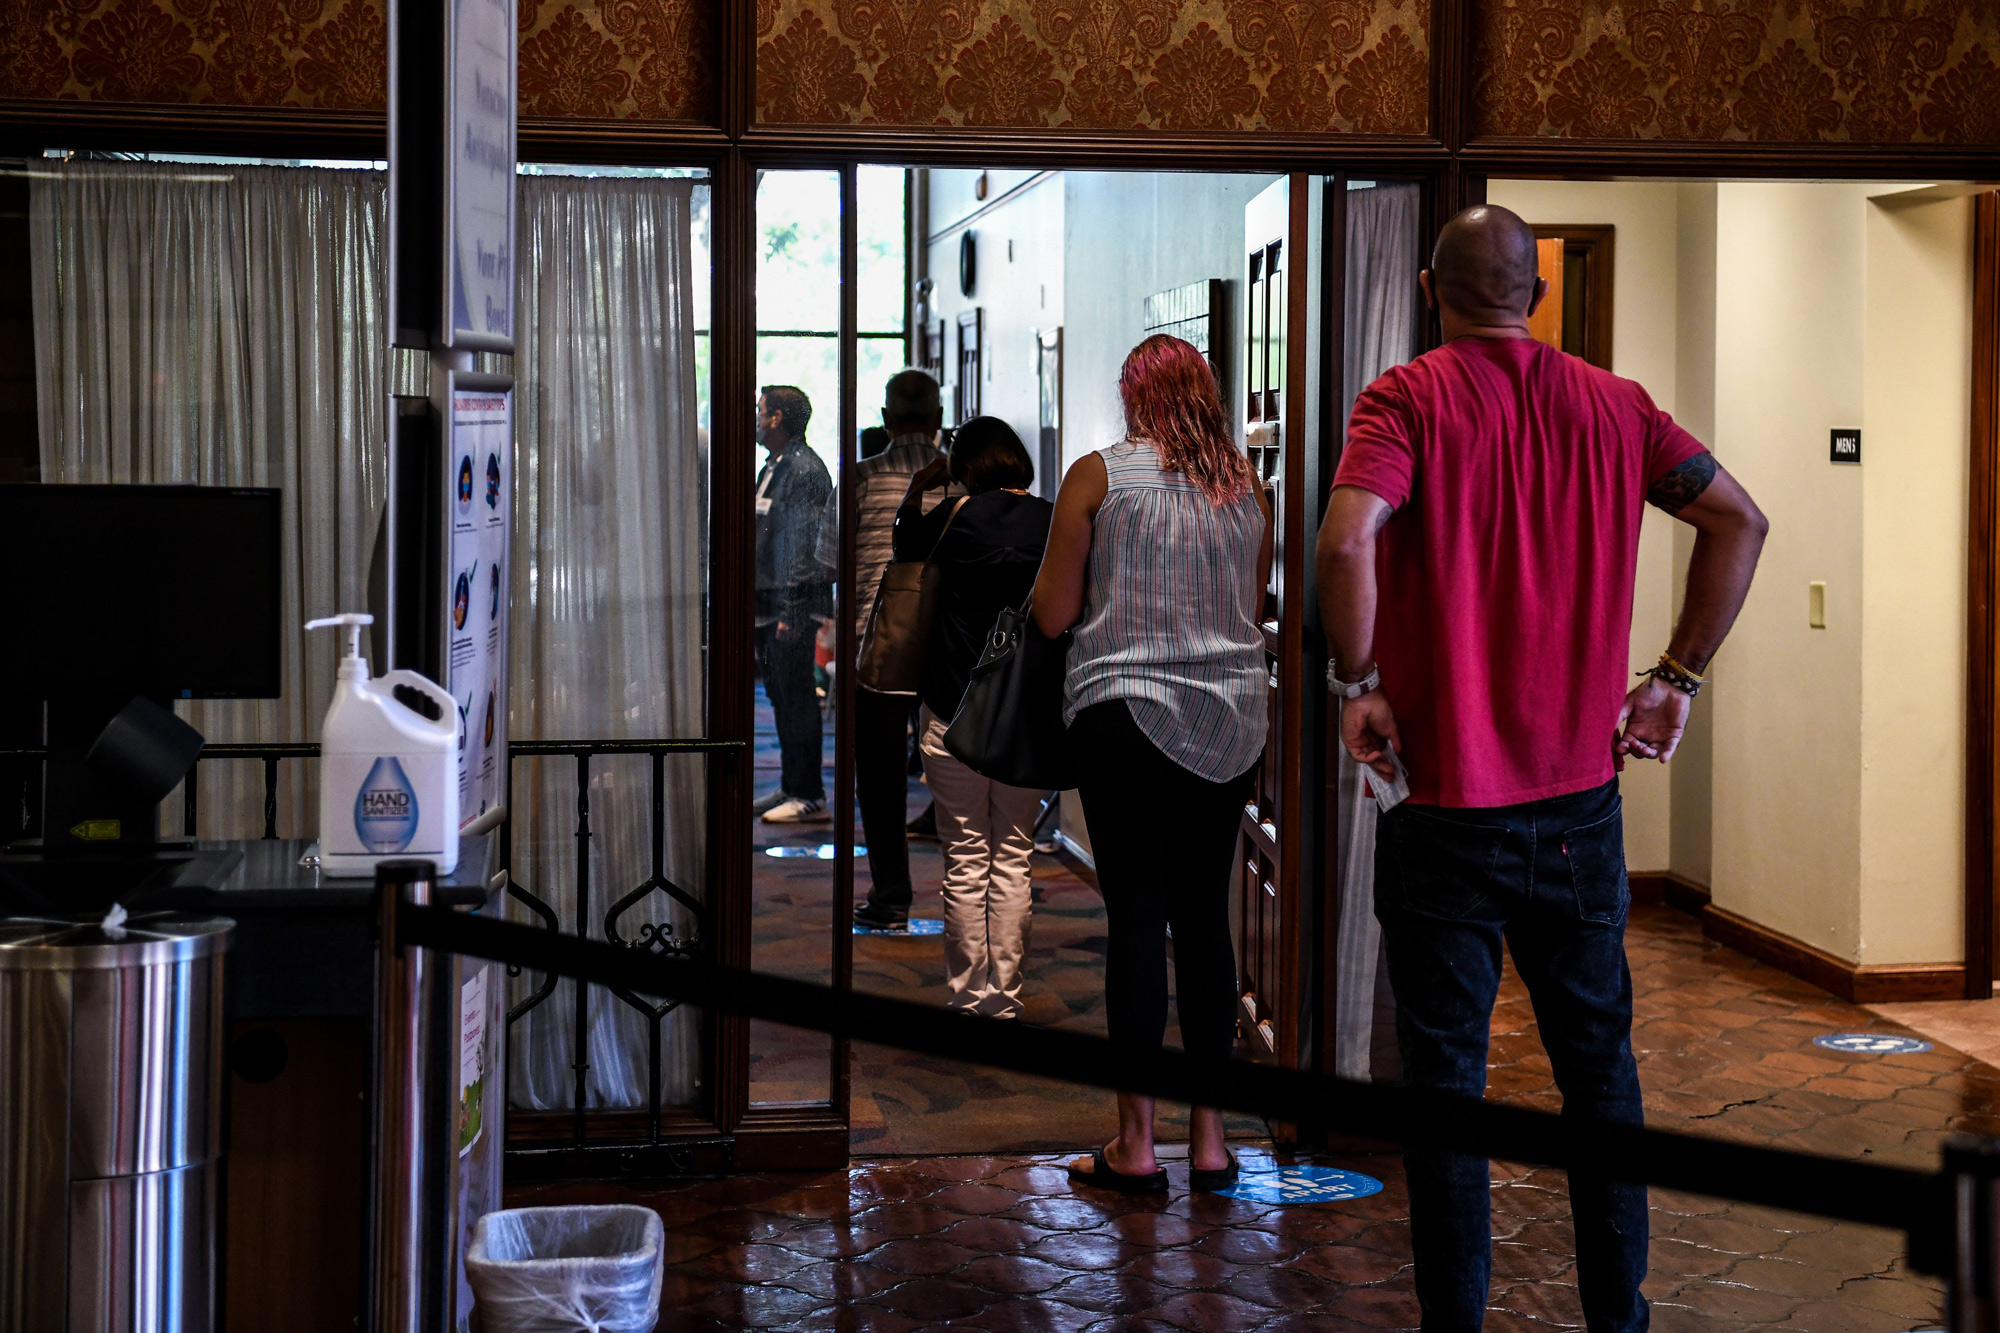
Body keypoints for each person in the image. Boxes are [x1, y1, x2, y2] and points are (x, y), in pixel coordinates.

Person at [1317, 205, 1767, 1333]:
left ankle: (1454, 1325)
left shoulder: (1405, 397)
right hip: (1578, 808)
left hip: (1446, 809)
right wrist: (1674, 676)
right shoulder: (1617, 409)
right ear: (1537, 293)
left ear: (1432, 287)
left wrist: (1354, 679)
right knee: (1598, 1084)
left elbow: (1343, 538)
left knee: (1447, 1094)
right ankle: (1617, 1317)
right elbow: (1738, 521)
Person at [1032, 334, 1271, 1195]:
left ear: (1133, 395)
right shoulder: (1245, 486)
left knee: (1138, 917)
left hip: (1124, 711)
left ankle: (1135, 1145)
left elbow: (1055, 614)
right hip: (1233, 716)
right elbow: (1248, 603)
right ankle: (1211, 1141)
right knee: (1205, 917)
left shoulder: (1099, 477)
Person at [894, 416, 1052, 1014]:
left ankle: (967, 1000)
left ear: (965, 466)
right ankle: (1004, 1001)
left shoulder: (953, 519)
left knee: (965, 856)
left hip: (951, 709)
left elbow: (903, 548)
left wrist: (919, 486)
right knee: (1013, 854)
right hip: (1026, 714)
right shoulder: (1053, 518)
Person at [815, 369, 951, 930]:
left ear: (887, 420)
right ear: (939, 420)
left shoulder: (862, 478)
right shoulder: (961, 482)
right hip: (946, 640)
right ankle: (971, 897)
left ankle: (892, 892)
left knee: (877, 771)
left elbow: (830, 562)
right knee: (955, 764)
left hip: (874, 642)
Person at [753, 385, 833, 824]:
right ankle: (790, 784)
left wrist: (793, 612)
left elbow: (802, 550)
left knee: (798, 698)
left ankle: (808, 793)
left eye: (761, 410)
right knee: (781, 697)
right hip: (768, 602)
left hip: (789, 607)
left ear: (779, 418)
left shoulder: (803, 470)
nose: (757, 418)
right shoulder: (775, 465)